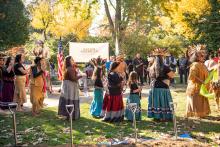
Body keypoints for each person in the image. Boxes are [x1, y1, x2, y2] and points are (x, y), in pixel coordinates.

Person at [148, 48, 175, 121]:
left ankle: (156, 116)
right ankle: (164, 116)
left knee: (156, 102)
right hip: (163, 87)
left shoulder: (151, 67)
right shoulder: (165, 67)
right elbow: (172, 75)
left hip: (154, 87)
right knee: (163, 101)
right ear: (162, 58)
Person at [186, 44, 210, 118]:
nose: (204, 57)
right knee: (196, 100)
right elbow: (192, 76)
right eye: (201, 55)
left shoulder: (202, 64)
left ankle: (202, 113)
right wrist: (201, 81)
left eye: (204, 55)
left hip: (203, 87)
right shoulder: (195, 65)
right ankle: (195, 113)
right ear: (196, 57)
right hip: (195, 87)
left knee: (202, 100)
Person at [58, 56, 81, 120]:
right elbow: (73, 78)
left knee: (67, 99)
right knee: (70, 99)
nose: (73, 60)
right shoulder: (70, 68)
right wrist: (81, 76)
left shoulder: (68, 68)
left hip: (68, 86)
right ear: (69, 61)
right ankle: (70, 115)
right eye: (72, 59)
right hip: (70, 86)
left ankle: (66, 114)